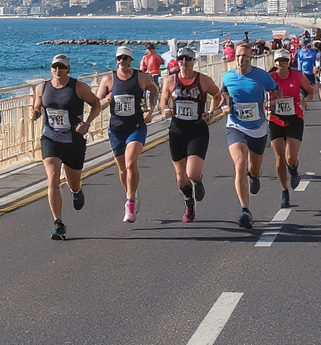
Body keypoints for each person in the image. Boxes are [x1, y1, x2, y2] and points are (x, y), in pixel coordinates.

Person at [31, 54, 103, 241]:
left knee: (73, 181)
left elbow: (96, 104)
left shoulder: (78, 87)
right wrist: (35, 112)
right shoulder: (42, 87)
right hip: (50, 138)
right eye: (54, 66)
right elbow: (37, 107)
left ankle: (76, 191)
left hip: (73, 141)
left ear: (68, 69)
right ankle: (58, 223)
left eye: (61, 67)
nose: (57, 70)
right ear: (51, 68)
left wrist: (87, 123)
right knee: (52, 178)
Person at [97, 46, 160, 223]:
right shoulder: (108, 79)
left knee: (130, 162)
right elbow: (96, 103)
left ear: (131, 60)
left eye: (125, 58)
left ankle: (130, 203)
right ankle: (131, 194)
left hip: (136, 127)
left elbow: (154, 89)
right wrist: (106, 100)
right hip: (116, 129)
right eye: (119, 58)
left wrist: (150, 110)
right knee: (122, 169)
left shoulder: (142, 77)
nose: (121, 61)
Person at [219, 41, 278, 229]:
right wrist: (224, 106)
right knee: (240, 164)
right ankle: (245, 210)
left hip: (258, 128)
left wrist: (272, 102)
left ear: (251, 57)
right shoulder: (228, 76)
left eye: (244, 56)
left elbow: (275, 90)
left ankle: (254, 176)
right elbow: (222, 96)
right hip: (235, 126)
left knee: (254, 168)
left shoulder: (262, 76)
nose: (240, 59)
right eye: (237, 56)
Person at [161, 46, 222, 223]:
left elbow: (217, 95)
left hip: (197, 129)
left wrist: (211, 112)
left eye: (187, 59)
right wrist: (165, 109)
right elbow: (163, 101)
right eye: (181, 59)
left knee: (192, 173)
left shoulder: (203, 80)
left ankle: (198, 180)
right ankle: (189, 202)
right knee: (181, 176)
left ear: (193, 61)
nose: (184, 62)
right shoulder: (171, 81)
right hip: (177, 130)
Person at [269, 50, 317, 209]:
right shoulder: (270, 77)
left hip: (295, 118)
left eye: (285, 61)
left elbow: (310, 91)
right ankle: (284, 192)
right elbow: (259, 93)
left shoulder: (297, 75)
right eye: (279, 61)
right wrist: (266, 103)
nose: (282, 64)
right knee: (279, 157)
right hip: (275, 119)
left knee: (290, 157)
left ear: (289, 61)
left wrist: (305, 100)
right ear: (275, 62)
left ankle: (294, 169)